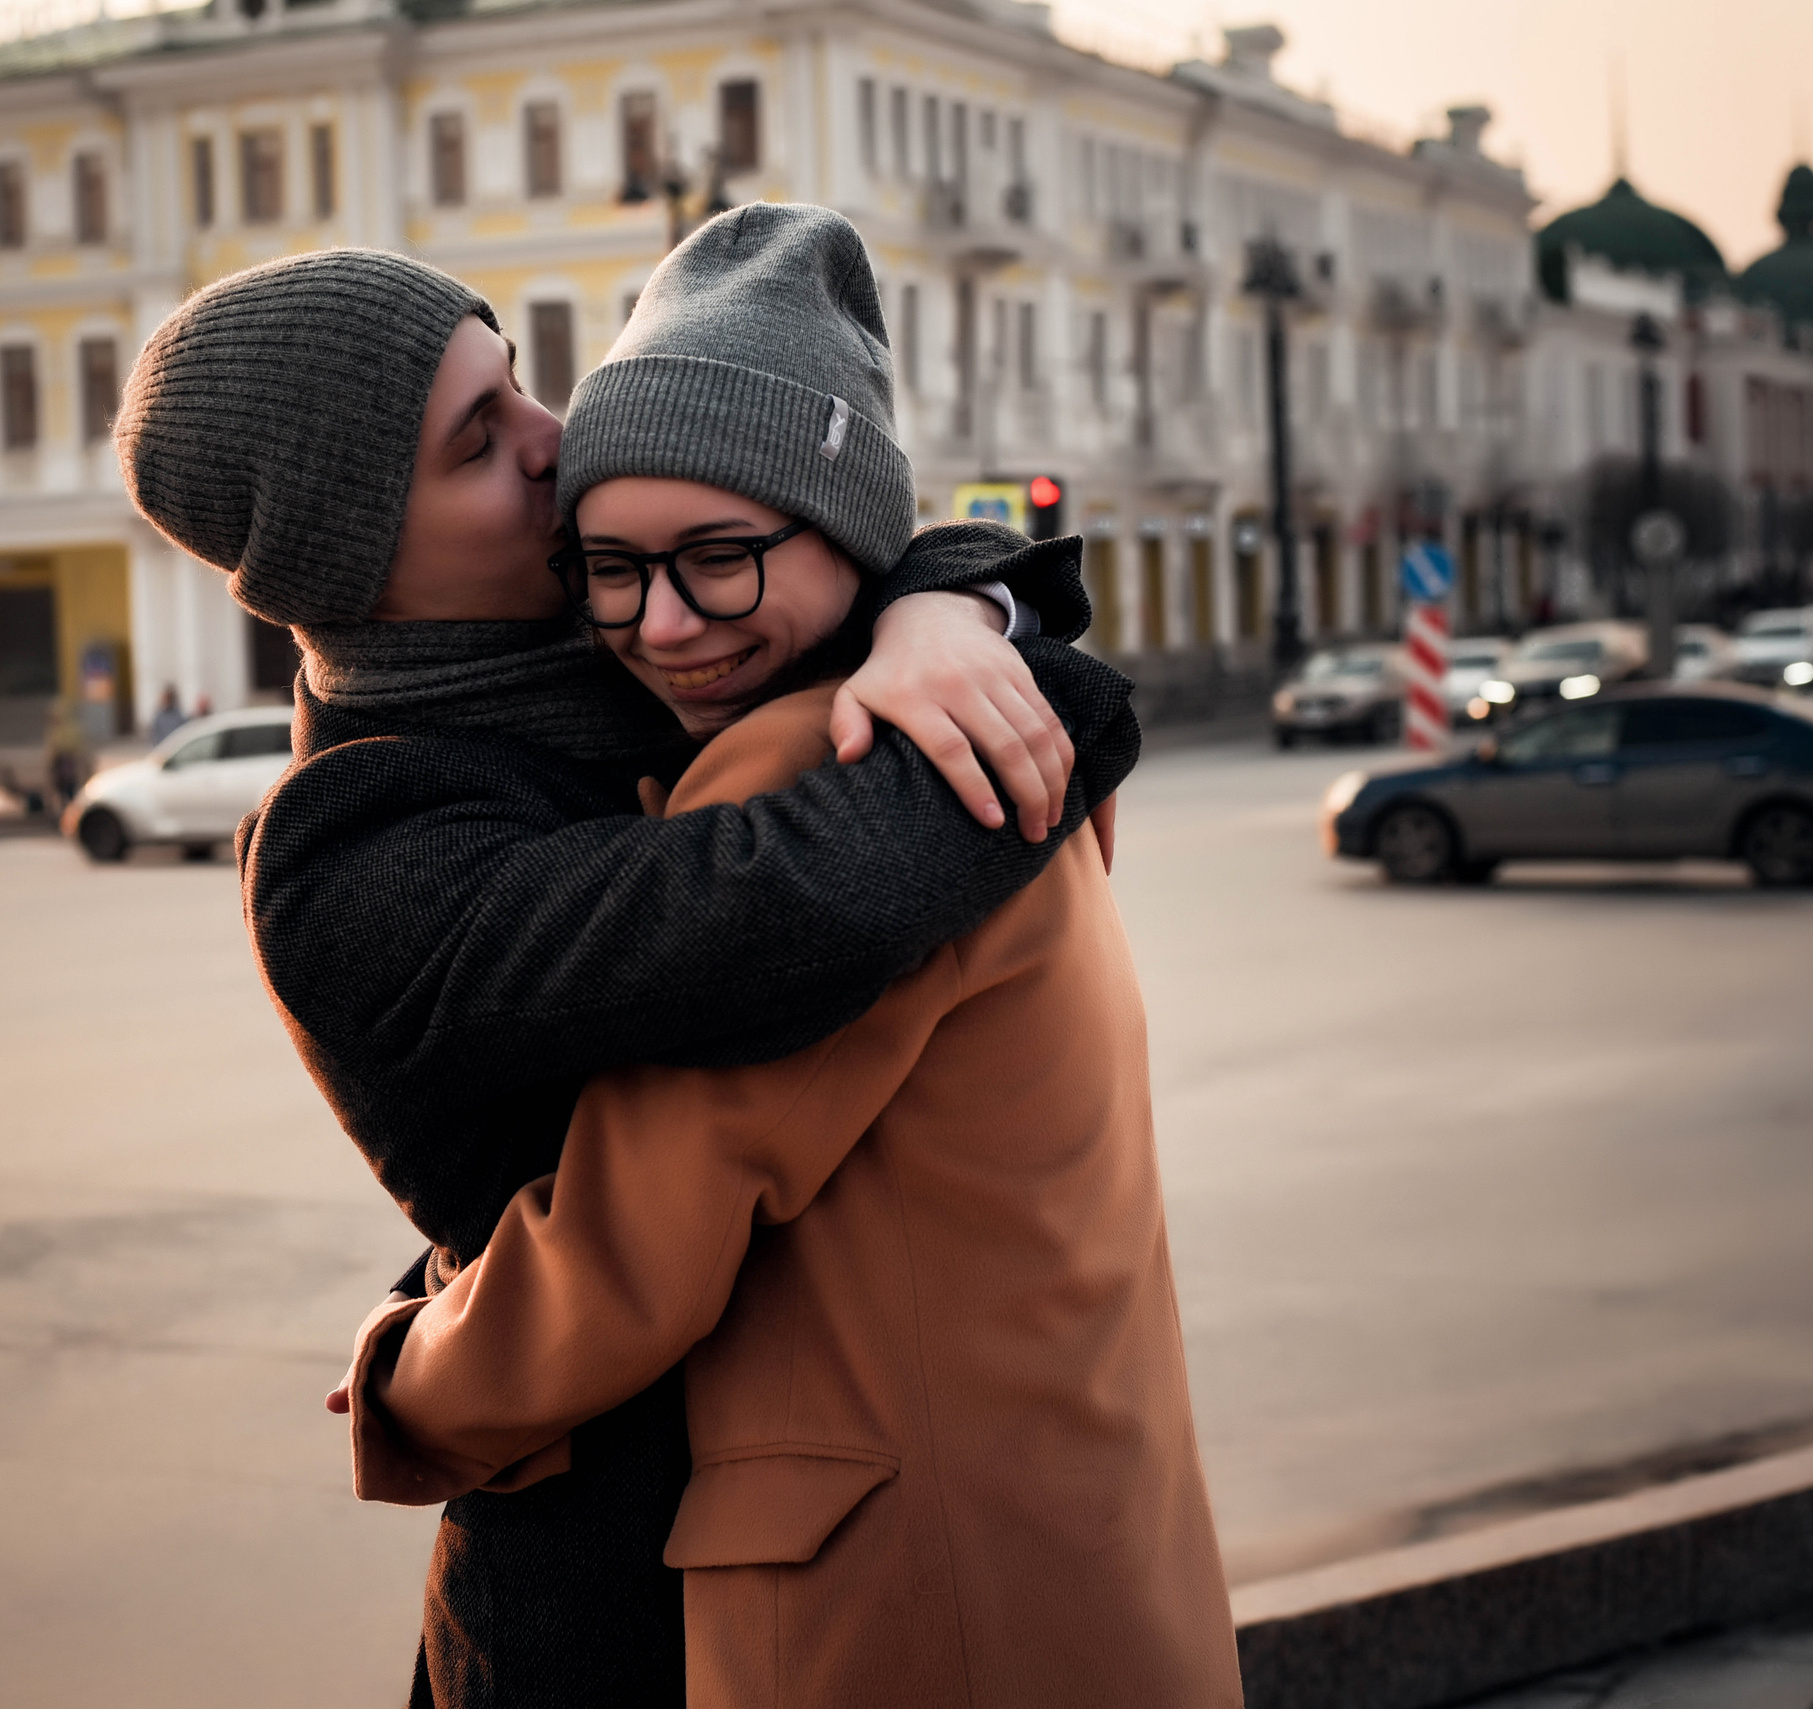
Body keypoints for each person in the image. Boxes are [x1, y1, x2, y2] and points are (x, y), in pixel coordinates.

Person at [115, 239, 1133, 1709]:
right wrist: (1052, 695)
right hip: (606, 1597)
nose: (554, 437)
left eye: (517, 386)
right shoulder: (355, 851)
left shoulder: (603, 661)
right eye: (479, 441)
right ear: (350, 554)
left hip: (823, 1505)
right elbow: (793, 909)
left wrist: (953, 608)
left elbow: (831, 546)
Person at [342, 204, 1238, 1707]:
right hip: (1075, 1531)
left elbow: (636, 1243)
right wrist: (965, 600)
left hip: (910, 1590)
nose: (663, 624)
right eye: (611, 570)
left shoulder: (819, 766)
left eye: (721, 559)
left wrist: (406, 1377)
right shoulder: (969, 710)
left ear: (851, 541)